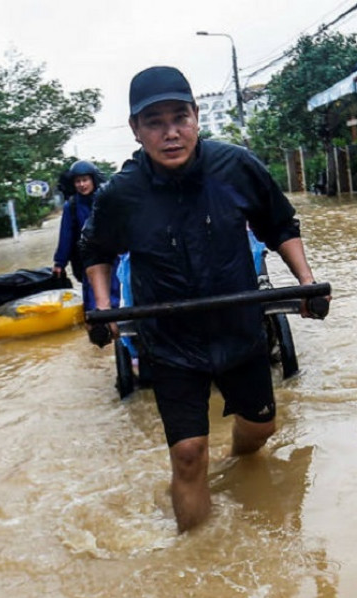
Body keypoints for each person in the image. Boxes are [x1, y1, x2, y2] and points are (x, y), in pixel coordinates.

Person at [80, 65, 327, 533]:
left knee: (260, 431)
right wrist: (102, 307)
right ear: (136, 129)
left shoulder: (236, 167)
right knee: (189, 454)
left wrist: (306, 283)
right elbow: (97, 249)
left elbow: (279, 225)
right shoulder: (122, 194)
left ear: (196, 117)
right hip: (171, 341)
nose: (171, 133)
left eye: (180, 118)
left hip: (239, 329)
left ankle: (236, 466)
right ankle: (199, 556)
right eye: (155, 122)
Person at [52, 160, 120, 312]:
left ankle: (116, 331)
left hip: (113, 256)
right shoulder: (72, 206)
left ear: (93, 180)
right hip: (88, 259)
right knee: (92, 301)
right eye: (78, 181)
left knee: (115, 295)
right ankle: (100, 329)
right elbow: (66, 236)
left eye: (85, 180)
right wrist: (59, 263)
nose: (82, 185)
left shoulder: (106, 199)